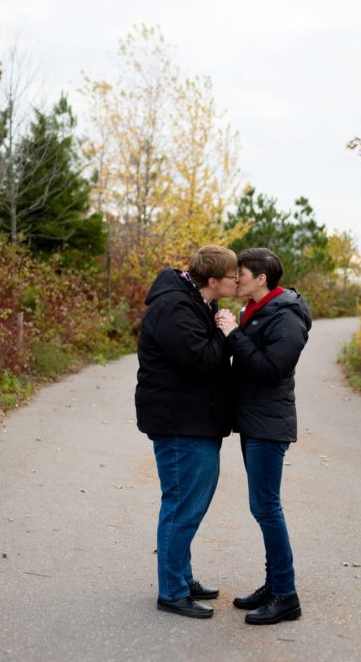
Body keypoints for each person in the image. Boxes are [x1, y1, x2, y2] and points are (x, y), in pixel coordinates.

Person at [135, 245, 239, 619]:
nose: (238, 279)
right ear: (213, 281)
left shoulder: (196, 302)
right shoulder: (175, 308)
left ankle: (181, 576)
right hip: (180, 423)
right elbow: (201, 360)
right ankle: (172, 592)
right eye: (232, 276)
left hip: (195, 420)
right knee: (181, 506)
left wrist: (216, 327)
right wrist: (226, 334)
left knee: (190, 504)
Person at [215, 247, 312, 625]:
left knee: (266, 507)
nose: (236, 278)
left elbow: (271, 369)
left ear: (261, 279)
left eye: (241, 273)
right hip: (254, 420)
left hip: (269, 424)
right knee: (264, 506)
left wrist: (234, 335)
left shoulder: (287, 317)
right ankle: (274, 586)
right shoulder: (258, 310)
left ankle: (286, 595)